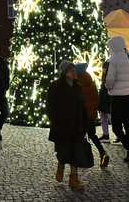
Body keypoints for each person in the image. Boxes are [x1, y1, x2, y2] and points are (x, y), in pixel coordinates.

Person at [47, 61, 88, 192]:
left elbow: (82, 106)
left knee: (76, 152)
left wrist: (86, 123)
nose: (74, 73)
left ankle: (73, 178)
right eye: (71, 70)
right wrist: (55, 121)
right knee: (64, 151)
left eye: (74, 70)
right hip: (62, 126)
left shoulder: (78, 87)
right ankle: (61, 165)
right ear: (64, 73)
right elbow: (50, 106)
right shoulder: (55, 86)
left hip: (77, 125)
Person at [105, 36, 129, 169]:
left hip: (117, 97)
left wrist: (108, 87)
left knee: (116, 127)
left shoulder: (113, 60)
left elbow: (110, 79)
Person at [74, 63, 110, 169]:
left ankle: (80, 159)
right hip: (91, 115)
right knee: (92, 135)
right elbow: (95, 99)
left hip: (82, 116)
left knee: (78, 137)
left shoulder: (78, 84)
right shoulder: (90, 82)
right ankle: (103, 153)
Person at [98, 61, 113, 142]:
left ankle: (119, 134)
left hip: (107, 96)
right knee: (104, 116)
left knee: (110, 117)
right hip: (104, 96)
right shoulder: (104, 76)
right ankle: (106, 135)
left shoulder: (110, 75)